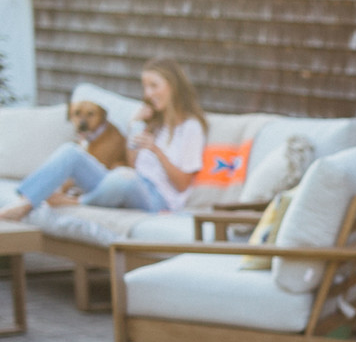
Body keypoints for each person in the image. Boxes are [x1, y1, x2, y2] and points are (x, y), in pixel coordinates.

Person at [0, 58, 207, 222]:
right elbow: (135, 165)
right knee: (71, 153)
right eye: (145, 87)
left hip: (158, 200)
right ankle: (24, 203)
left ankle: (76, 202)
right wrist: (135, 124)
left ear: (173, 86)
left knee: (123, 177)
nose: (148, 93)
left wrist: (156, 150)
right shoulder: (155, 123)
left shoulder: (191, 127)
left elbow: (182, 184)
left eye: (154, 86)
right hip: (130, 184)